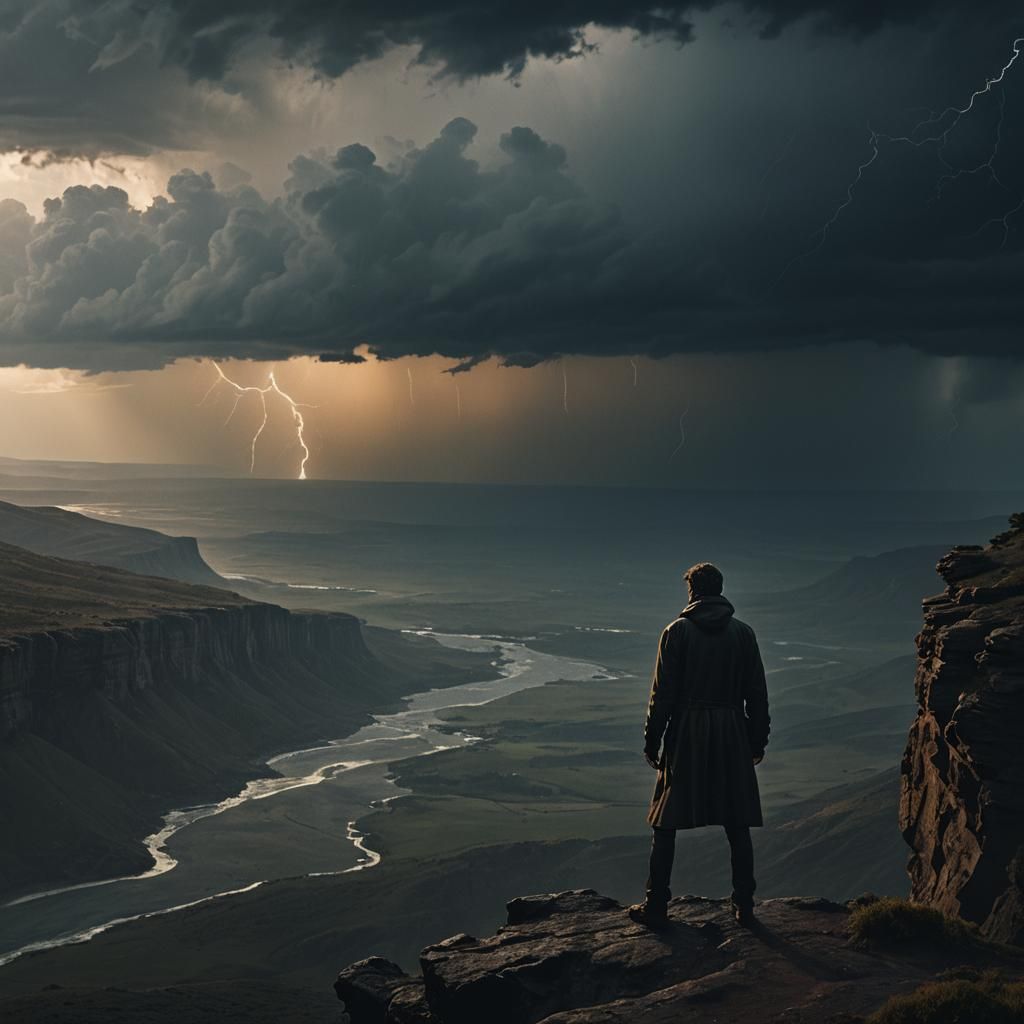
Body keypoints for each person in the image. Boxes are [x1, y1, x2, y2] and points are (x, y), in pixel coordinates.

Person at [629, 561, 770, 929]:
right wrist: (757, 740)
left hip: (687, 731)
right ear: (719, 589)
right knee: (736, 821)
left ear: (691, 590)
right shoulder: (744, 634)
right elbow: (757, 694)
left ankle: (656, 905)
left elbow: (662, 695)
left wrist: (652, 740)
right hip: (731, 732)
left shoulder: (676, 633)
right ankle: (745, 906)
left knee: (665, 822)